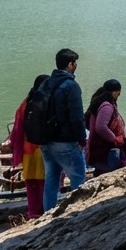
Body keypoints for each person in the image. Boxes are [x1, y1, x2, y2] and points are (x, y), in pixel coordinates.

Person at [41, 48, 87, 210]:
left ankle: (47, 218)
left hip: (46, 141)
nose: (75, 66)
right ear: (70, 64)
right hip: (66, 142)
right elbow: (77, 117)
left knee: (51, 181)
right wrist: (82, 139)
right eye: (74, 63)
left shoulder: (46, 83)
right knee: (79, 181)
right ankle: (78, 216)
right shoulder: (71, 86)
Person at [9, 74, 50, 219]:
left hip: (28, 150)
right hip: (44, 148)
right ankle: (48, 211)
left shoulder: (25, 104)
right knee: (47, 181)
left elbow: (17, 129)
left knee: (31, 184)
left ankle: (33, 214)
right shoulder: (47, 102)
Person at [85, 79, 126, 175]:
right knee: (108, 173)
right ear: (114, 92)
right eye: (118, 92)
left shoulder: (99, 102)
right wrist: (115, 139)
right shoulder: (107, 106)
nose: (119, 95)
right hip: (105, 149)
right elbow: (101, 127)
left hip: (99, 148)